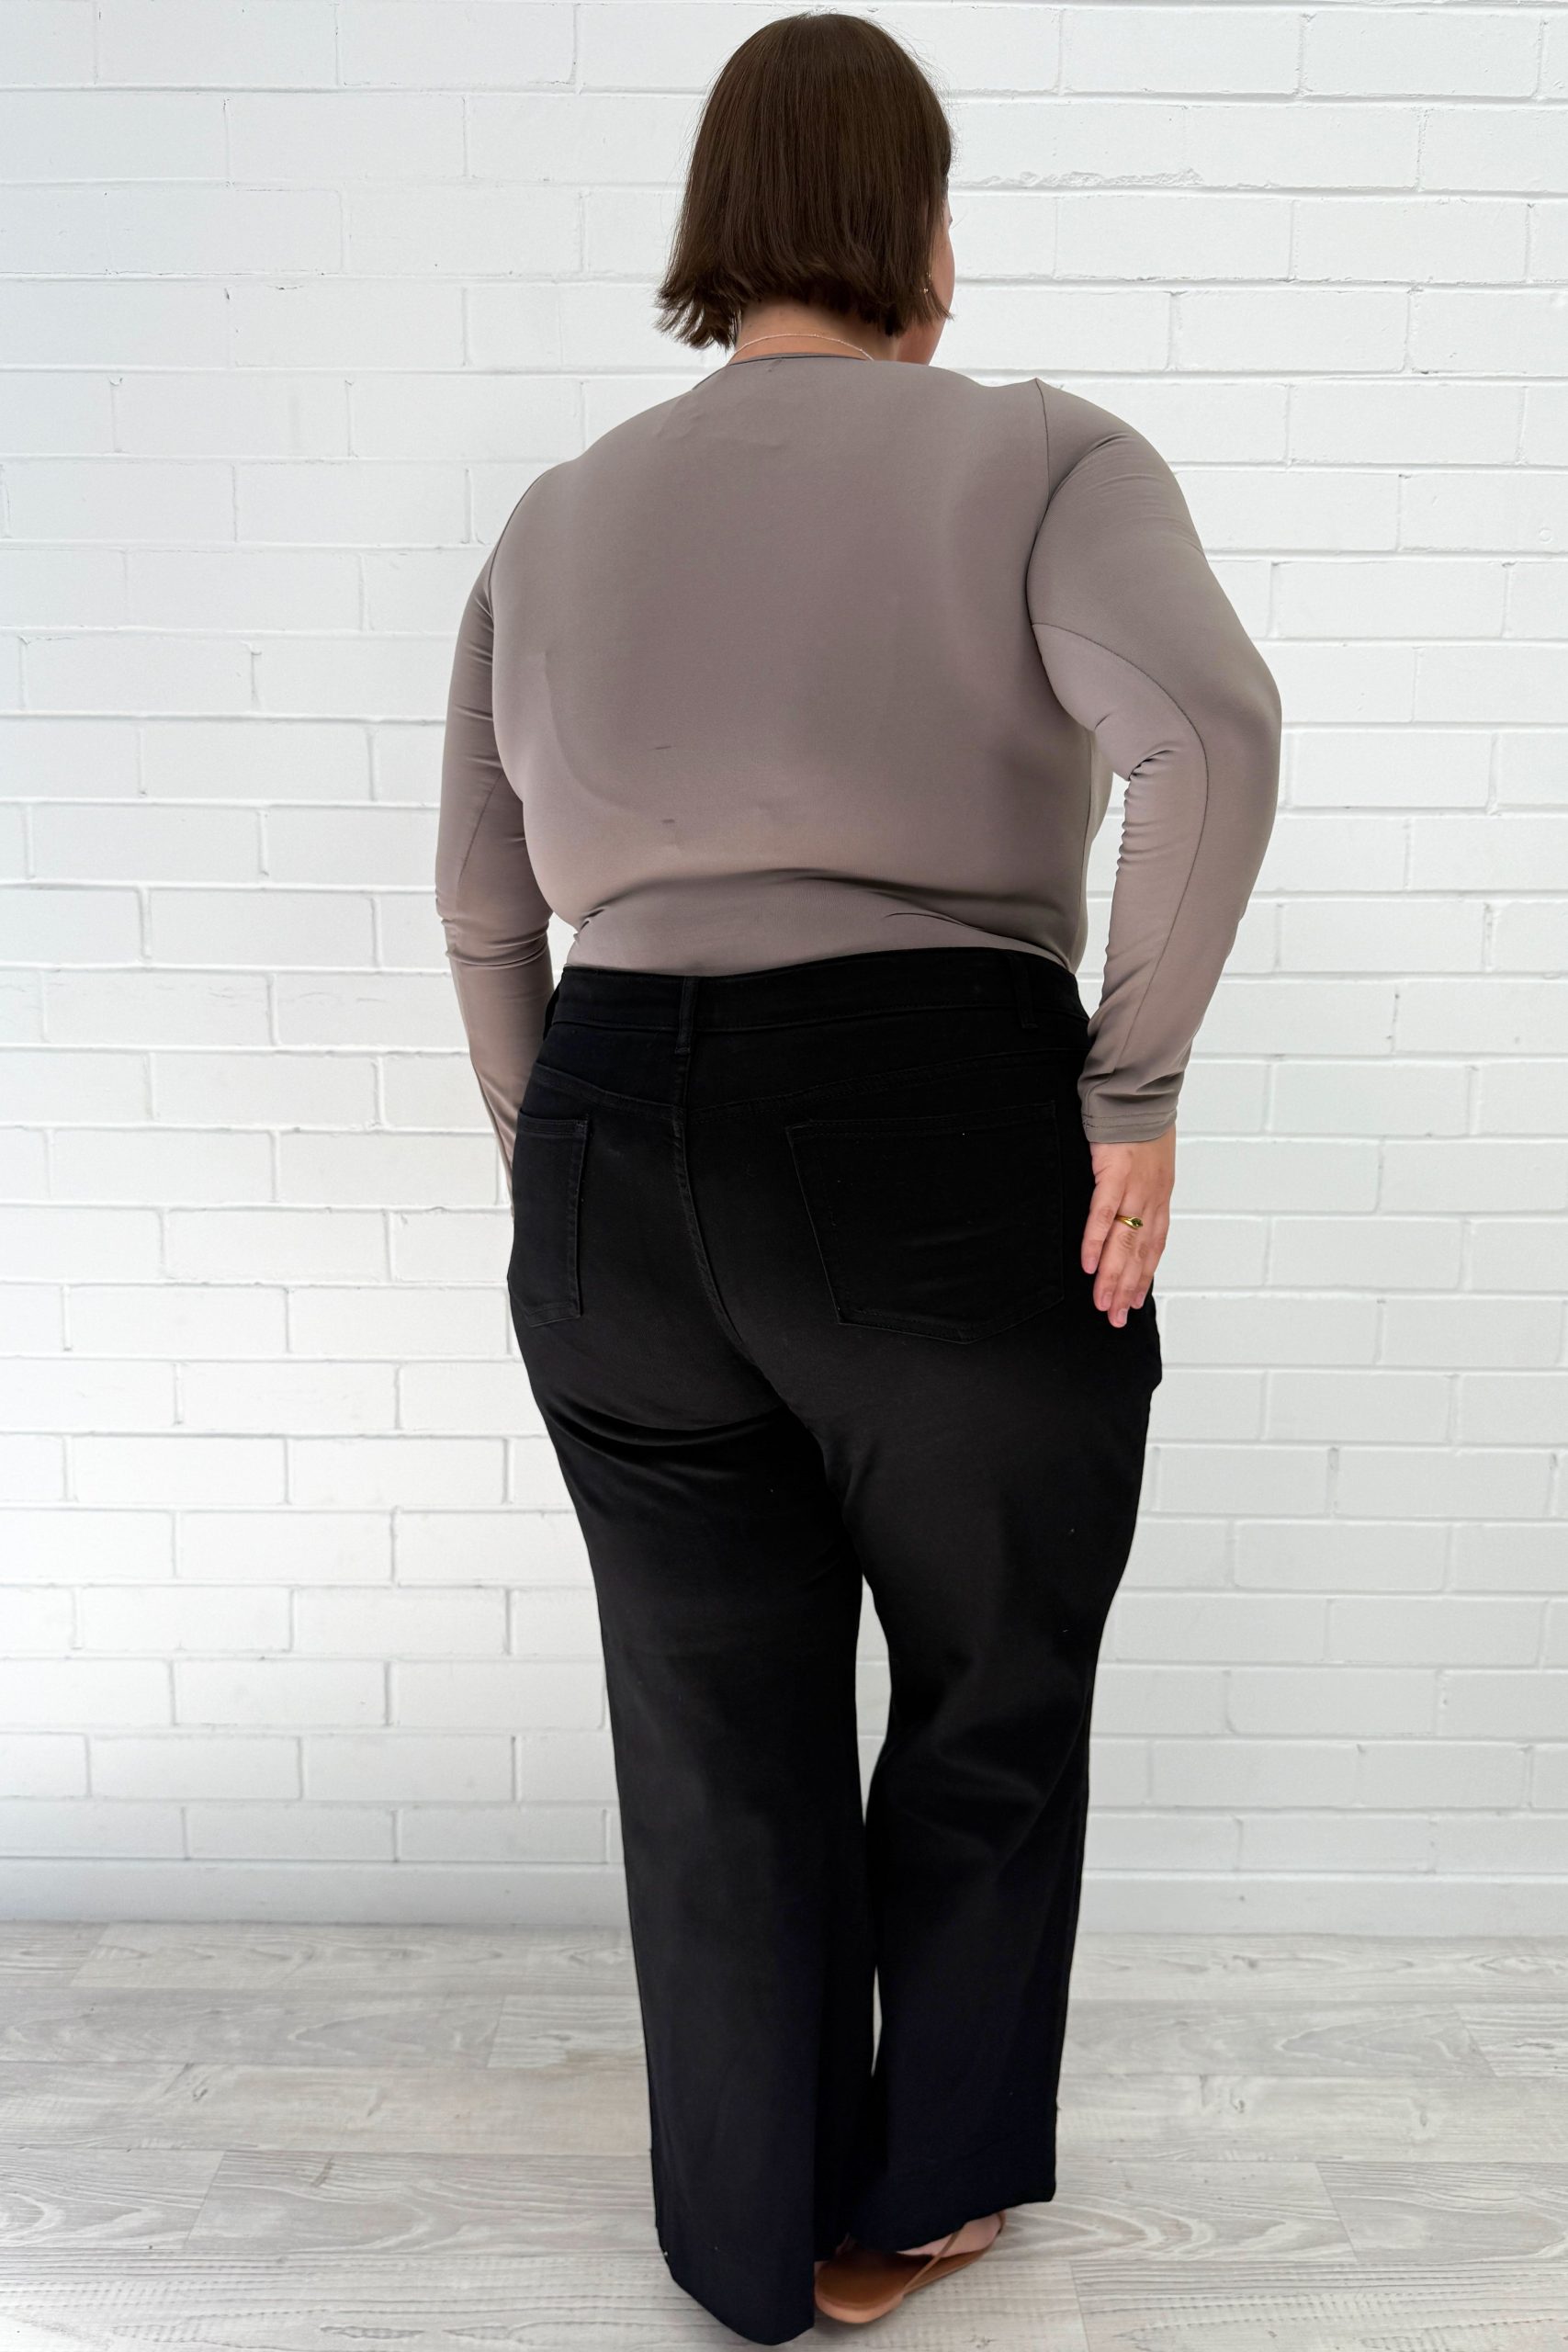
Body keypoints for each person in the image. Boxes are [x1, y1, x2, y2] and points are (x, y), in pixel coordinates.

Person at [435, 14, 1280, 2342]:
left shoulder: (553, 513)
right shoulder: (1036, 452)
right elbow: (1206, 731)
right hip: (933, 1123)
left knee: (709, 1726)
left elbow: (485, 907)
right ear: (919, 226)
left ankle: (741, 2242)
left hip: (607, 1132)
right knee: (989, 1676)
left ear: (715, 227)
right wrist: (1132, 1085)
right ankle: (919, 2191)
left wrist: (565, 1170)